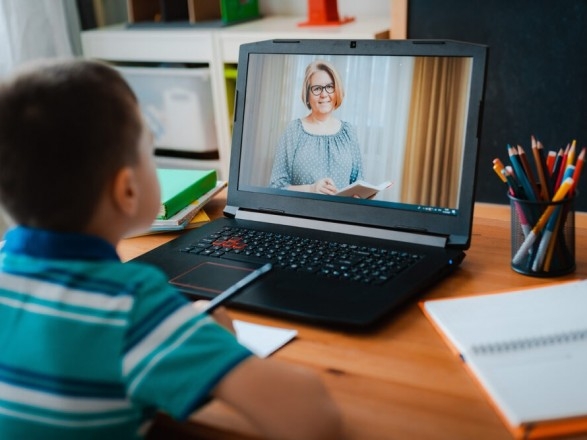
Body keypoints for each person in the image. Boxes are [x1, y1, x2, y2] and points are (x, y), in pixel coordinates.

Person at [0, 59, 342, 440]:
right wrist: (217, 343)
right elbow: (315, 419)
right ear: (127, 190)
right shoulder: (133, 309)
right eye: (150, 149)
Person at [269, 59, 364, 195]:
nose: (324, 94)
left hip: (340, 215)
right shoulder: (293, 130)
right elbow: (276, 187)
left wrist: (362, 196)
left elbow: (358, 183)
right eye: (317, 88)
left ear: (337, 91)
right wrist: (311, 189)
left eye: (330, 87)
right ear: (307, 95)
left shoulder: (349, 131)